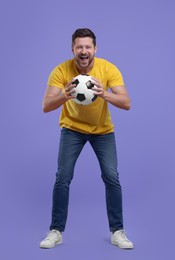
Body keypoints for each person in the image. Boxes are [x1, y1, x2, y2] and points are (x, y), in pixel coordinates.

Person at [40, 28, 134, 249]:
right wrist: (65, 94)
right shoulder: (61, 70)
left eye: (88, 47)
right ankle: (56, 231)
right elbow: (46, 106)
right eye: (79, 47)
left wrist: (104, 94)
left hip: (102, 131)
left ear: (95, 49)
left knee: (111, 176)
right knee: (63, 177)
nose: (84, 51)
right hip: (72, 128)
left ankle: (117, 231)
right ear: (73, 49)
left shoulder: (108, 68)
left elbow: (126, 103)